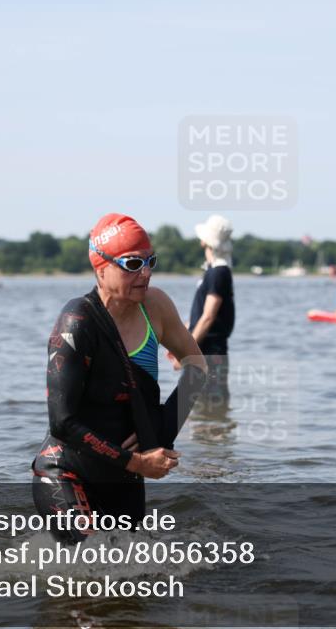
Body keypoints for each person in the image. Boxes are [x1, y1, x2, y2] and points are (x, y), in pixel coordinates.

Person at [31, 213, 206, 544]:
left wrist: (160, 432)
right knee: (89, 560)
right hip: (67, 471)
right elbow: (62, 422)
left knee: (135, 569)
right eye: (133, 264)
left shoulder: (156, 307)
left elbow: (197, 367)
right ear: (101, 269)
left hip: (124, 476)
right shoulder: (77, 321)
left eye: (150, 261)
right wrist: (137, 462)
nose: (146, 273)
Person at [185, 215, 235, 410]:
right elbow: (199, 315)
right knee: (201, 410)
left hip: (211, 355)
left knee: (211, 407)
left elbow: (208, 317)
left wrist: (186, 352)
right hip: (203, 351)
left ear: (205, 241)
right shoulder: (213, 271)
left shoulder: (219, 272)